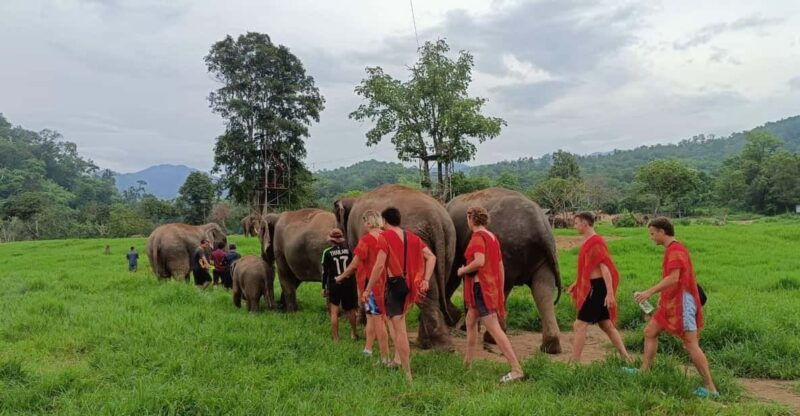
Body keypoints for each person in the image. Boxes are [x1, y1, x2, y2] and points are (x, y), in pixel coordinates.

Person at [629, 217, 718, 398]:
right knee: (650, 331)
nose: (651, 237)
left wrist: (648, 292)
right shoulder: (673, 249)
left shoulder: (675, 250)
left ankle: (711, 388)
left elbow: (673, 278)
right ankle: (644, 370)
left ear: (662, 232)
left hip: (682, 303)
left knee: (691, 344)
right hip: (672, 301)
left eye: (652, 234)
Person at [363, 207, 435, 381]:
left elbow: (379, 266)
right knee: (398, 325)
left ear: (385, 221)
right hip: (410, 285)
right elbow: (431, 257)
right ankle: (397, 360)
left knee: (400, 332)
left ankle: (408, 374)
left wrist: (367, 288)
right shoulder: (412, 237)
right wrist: (425, 279)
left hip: (394, 286)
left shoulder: (384, 237)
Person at [457, 206, 524, 383]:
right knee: (470, 320)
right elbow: (500, 265)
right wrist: (499, 290)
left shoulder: (477, 237)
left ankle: (516, 368)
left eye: (468, 218)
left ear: (471, 218)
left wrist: (463, 270)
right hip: (490, 287)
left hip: (481, 288)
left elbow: (479, 261)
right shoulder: (492, 237)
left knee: (493, 327)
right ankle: (467, 364)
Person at [568, 212, 630, 363]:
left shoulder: (595, 242)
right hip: (596, 285)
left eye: (576, 223)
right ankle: (626, 358)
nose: (574, 226)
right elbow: (589, 267)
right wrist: (577, 282)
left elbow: (605, 268)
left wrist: (609, 293)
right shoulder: (589, 241)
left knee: (580, 324)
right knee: (606, 324)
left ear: (585, 223)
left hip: (598, 287)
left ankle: (573, 364)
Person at [334, 210, 391, 364]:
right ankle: (368, 349)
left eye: (364, 222)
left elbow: (355, 263)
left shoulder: (366, 240)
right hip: (384, 283)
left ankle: (385, 358)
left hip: (371, 285)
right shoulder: (386, 237)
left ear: (367, 222)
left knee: (378, 321)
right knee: (371, 318)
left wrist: (341, 276)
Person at [321, 228, 358, 342]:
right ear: (341, 240)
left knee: (334, 311)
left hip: (334, 283)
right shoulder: (349, 251)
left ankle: (336, 338)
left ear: (331, 240)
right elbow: (353, 267)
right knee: (351, 310)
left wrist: (324, 287)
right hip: (349, 283)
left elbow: (325, 272)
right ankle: (353, 333)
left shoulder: (327, 252)